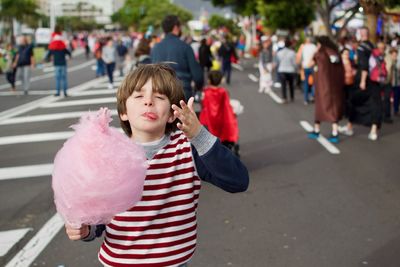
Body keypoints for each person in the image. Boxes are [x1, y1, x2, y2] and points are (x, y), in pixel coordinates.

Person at [64, 64, 249, 267]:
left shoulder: (188, 149)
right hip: (119, 262)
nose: (149, 101)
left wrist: (199, 135)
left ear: (172, 114)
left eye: (159, 97)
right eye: (138, 96)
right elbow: (100, 215)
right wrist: (86, 230)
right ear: (123, 112)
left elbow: (238, 181)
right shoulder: (108, 152)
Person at [151, 15, 204, 101]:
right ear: (176, 27)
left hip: (160, 93)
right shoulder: (185, 47)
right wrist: (198, 88)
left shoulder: (155, 48)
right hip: (182, 92)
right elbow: (198, 77)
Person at [307, 36, 344, 143]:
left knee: (320, 107)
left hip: (323, 85)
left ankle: (316, 130)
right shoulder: (335, 53)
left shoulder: (320, 54)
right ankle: (335, 132)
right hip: (335, 86)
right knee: (333, 108)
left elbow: (309, 64)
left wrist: (314, 53)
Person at [199, 70, 240, 156]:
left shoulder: (206, 92)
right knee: (223, 139)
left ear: (209, 80)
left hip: (209, 120)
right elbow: (227, 106)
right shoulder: (223, 92)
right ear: (221, 80)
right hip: (222, 119)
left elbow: (203, 105)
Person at [275, 38, 297, 103]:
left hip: (281, 70)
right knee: (291, 85)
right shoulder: (292, 53)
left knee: (283, 85)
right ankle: (292, 97)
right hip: (290, 70)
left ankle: (284, 98)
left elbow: (278, 62)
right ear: (290, 45)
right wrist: (296, 68)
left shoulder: (279, 52)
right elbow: (294, 63)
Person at [298, 36, 317, 105]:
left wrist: (300, 66)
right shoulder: (314, 47)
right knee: (314, 82)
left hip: (305, 66)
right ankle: (312, 95)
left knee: (306, 83)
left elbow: (299, 56)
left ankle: (306, 99)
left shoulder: (303, 47)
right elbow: (316, 56)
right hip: (312, 66)